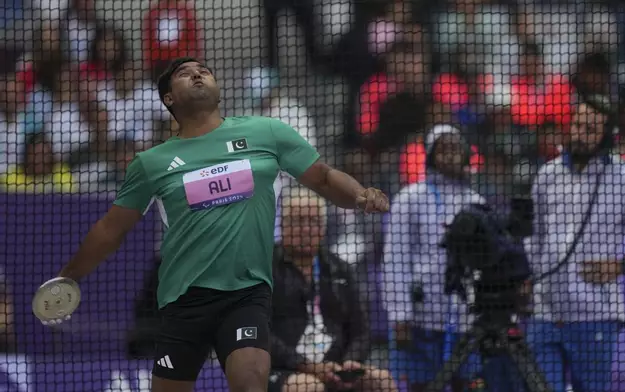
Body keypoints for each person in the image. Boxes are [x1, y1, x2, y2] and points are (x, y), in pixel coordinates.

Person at [36, 57, 390, 392]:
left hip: (246, 292)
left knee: (251, 380)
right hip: (183, 299)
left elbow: (324, 177)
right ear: (169, 98)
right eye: (185, 73)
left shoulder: (266, 132)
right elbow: (110, 230)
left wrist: (359, 194)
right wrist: (68, 277)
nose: (198, 74)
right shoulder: (151, 163)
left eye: (203, 69)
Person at [383, 124, 519, 392]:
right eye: (443, 150)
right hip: (420, 320)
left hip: (465, 321)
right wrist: (400, 316)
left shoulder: (476, 202)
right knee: (420, 386)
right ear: (431, 156)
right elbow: (395, 260)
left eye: (456, 149)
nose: (450, 156)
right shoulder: (410, 198)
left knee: (465, 385)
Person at [524, 98, 625, 392]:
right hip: (544, 313)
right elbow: (535, 238)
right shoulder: (547, 175)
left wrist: (624, 264)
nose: (580, 134)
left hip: (595, 315)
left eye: (590, 129)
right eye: (577, 125)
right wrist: (527, 279)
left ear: (606, 137)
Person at [270, 188, 397, 392]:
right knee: (309, 387)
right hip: (284, 369)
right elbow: (262, 335)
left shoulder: (340, 269)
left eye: (313, 222)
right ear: (283, 225)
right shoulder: (268, 269)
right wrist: (306, 366)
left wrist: (350, 362)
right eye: (298, 221)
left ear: (323, 228)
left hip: (336, 367)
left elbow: (361, 331)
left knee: (381, 380)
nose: (306, 229)